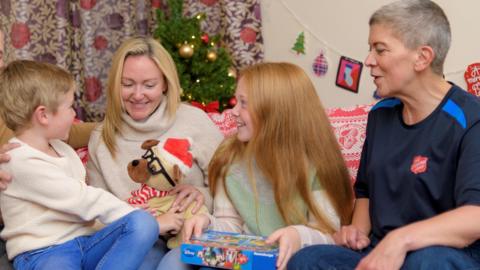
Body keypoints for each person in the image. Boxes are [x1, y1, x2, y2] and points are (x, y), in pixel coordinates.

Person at [287, 1, 480, 269]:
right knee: (309, 260)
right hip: (382, 253)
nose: (369, 61)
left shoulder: (470, 118)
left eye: (380, 50)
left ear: (422, 57)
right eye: (370, 49)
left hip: (448, 256)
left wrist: (402, 240)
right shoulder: (381, 115)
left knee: (427, 261)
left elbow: (476, 216)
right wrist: (357, 232)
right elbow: (365, 191)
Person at [182, 62, 354, 270]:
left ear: (274, 112)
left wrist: (297, 235)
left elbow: (330, 235)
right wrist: (209, 224)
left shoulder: (317, 165)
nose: (233, 112)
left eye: (243, 104)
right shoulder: (229, 159)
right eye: (236, 101)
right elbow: (231, 225)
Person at [0, 60, 163, 269]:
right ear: (43, 115)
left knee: (144, 225)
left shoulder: (62, 148)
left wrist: (140, 218)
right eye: (69, 107)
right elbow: (83, 200)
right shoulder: (19, 160)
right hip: (44, 252)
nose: (74, 113)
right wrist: (131, 212)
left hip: (85, 243)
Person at [86, 36, 224, 269]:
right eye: (127, 84)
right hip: (138, 240)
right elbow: (94, 212)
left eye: (149, 85)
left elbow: (230, 191)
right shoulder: (102, 138)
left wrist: (201, 194)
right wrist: (129, 216)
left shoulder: (195, 122)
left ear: (165, 84)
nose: (138, 95)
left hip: (191, 233)